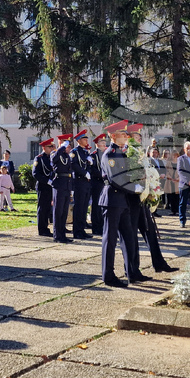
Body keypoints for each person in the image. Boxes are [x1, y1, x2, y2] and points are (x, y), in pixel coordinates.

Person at [98, 120, 147, 287]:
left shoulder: (121, 153)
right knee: (110, 239)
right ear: (113, 136)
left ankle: (131, 272)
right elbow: (116, 180)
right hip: (112, 200)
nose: (126, 136)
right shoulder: (110, 154)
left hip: (123, 201)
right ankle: (108, 275)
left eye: (126, 134)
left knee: (129, 237)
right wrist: (136, 188)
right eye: (122, 134)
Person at [50, 133, 79, 244]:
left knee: (64, 211)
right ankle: (57, 235)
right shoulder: (55, 153)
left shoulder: (67, 156)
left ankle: (63, 234)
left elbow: (70, 171)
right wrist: (61, 147)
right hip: (59, 184)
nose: (68, 148)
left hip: (67, 184)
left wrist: (71, 187)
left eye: (69, 146)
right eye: (66, 145)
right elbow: (53, 160)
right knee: (58, 211)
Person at [70, 130, 94, 239]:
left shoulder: (85, 152)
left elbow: (87, 165)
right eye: (84, 139)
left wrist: (88, 170)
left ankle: (82, 229)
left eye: (86, 139)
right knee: (79, 207)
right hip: (79, 182)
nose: (86, 140)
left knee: (84, 207)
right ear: (79, 140)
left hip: (86, 183)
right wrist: (84, 173)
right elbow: (73, 165)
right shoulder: (75, 152)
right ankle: (77, 231)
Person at [32, 138, 55, 237]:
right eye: (50, 147)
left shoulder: (51, 157)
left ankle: (46, 227)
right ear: (44, 147)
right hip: (43, 186)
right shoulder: (39, 158)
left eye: (52, 146)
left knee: (47, 208)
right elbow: (35, 173)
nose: (51, 148)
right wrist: (47, 181)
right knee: (42, 208)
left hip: (51, 186)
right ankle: (42, 229)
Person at [89, 134, 106, 236]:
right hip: (96, 183)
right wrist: (102, 175)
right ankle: (96, 227)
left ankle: (103, 226)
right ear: (97, 144)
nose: (104, 144)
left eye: (104, 143)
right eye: (102, 143)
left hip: (104, 183)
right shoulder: (93, 155)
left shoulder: (105, 154)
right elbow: (92, 169)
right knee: (96, 205)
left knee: (103, 205)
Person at [164, 150, 180, 214]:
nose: (174, 157)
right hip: (170, 181)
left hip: (177, 182)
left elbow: (182, 172)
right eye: (173, 155)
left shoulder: (180, 163)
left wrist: (177, 178)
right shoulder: (168, 163)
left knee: (177, 197)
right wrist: (170, 178)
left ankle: (178, 210)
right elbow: (166, 171)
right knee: (171, 197)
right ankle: (173, 211)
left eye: (176, 155)